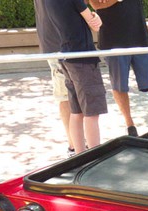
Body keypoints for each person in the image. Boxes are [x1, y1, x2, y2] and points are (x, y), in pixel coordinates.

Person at [88, 0, 148, 136]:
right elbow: (95, 4)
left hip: (140, 38)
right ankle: (130, 125)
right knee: (119, 86)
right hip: (112, 41)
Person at [43, 0, 107, 152]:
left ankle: (80, 156)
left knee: (76, 111)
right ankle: (94, 157)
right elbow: (95, 25)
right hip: (83, 58)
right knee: (91, 112)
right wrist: (94, 16)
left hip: (66, 56)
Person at [33, 0, 75, 156]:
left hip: (65, 42)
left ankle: (77, 143)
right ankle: (74, 145)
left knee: (70, 94)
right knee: (66, 94)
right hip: (58, 44)